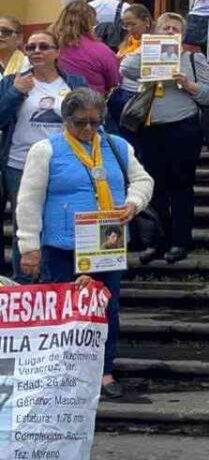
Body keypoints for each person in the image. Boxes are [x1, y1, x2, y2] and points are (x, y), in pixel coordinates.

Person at [16, 87, 154, 400]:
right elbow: (29, 200)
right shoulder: (45, 149)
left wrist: (133, 203)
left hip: (107, 244)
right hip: (63, 244)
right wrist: (29, 247)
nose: (88, 129)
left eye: (95, 122)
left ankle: (105, 372)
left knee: (107, 308)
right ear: (66, 120)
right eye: (80, 123)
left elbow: (144, 180)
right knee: (65, 312)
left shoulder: (116, 146)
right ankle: (65, 373)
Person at [122, 13, 209, 265]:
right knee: (155, 187)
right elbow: (126, 68)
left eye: (175, 29)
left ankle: (180, 241)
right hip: (151, 129)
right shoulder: (147, 55)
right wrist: (149, 48)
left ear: (183, 35)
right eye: (165, 28)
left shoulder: (194, 58)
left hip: (184, 129)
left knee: (181, 187)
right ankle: (158, 241)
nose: (170, 32)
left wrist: (188, 84)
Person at [0, 32, 88, 281]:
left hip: (63, 163)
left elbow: (91, 120)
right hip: (19, 165)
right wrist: (15, 92)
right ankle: (24, 282)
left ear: (57, 52)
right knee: (25, 225)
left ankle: (54, 280)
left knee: (59, 219)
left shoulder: (73, 82)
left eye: (43, 46)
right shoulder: (12, 81)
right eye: (31, 47)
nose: (36, 51)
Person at [48, 0, 120, 95]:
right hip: (91, 102)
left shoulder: (48, 44)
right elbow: (113, 81)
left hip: (52, 97)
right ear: (91, 23)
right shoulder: (101, 50)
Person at [104, 4, 153, 134]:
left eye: (133, 24)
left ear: (146, 21)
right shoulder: (128, 42)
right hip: (121, 92)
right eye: (126, 25)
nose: (129, 29)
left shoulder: (153, 42)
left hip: (139, 96)